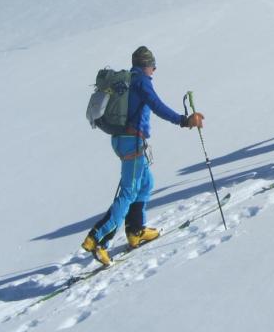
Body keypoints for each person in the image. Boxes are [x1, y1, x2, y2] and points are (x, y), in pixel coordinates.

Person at [81, 46, 204, 266]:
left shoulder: (127, 82)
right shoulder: (141, 82)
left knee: (146, 183)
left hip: (123, 140)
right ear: (146, 65)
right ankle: (97, 239)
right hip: (132, 142)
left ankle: (135, 231)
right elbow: (157, 105)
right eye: (153, 66)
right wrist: (184, 121)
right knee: (129, 192)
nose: (154, 70)